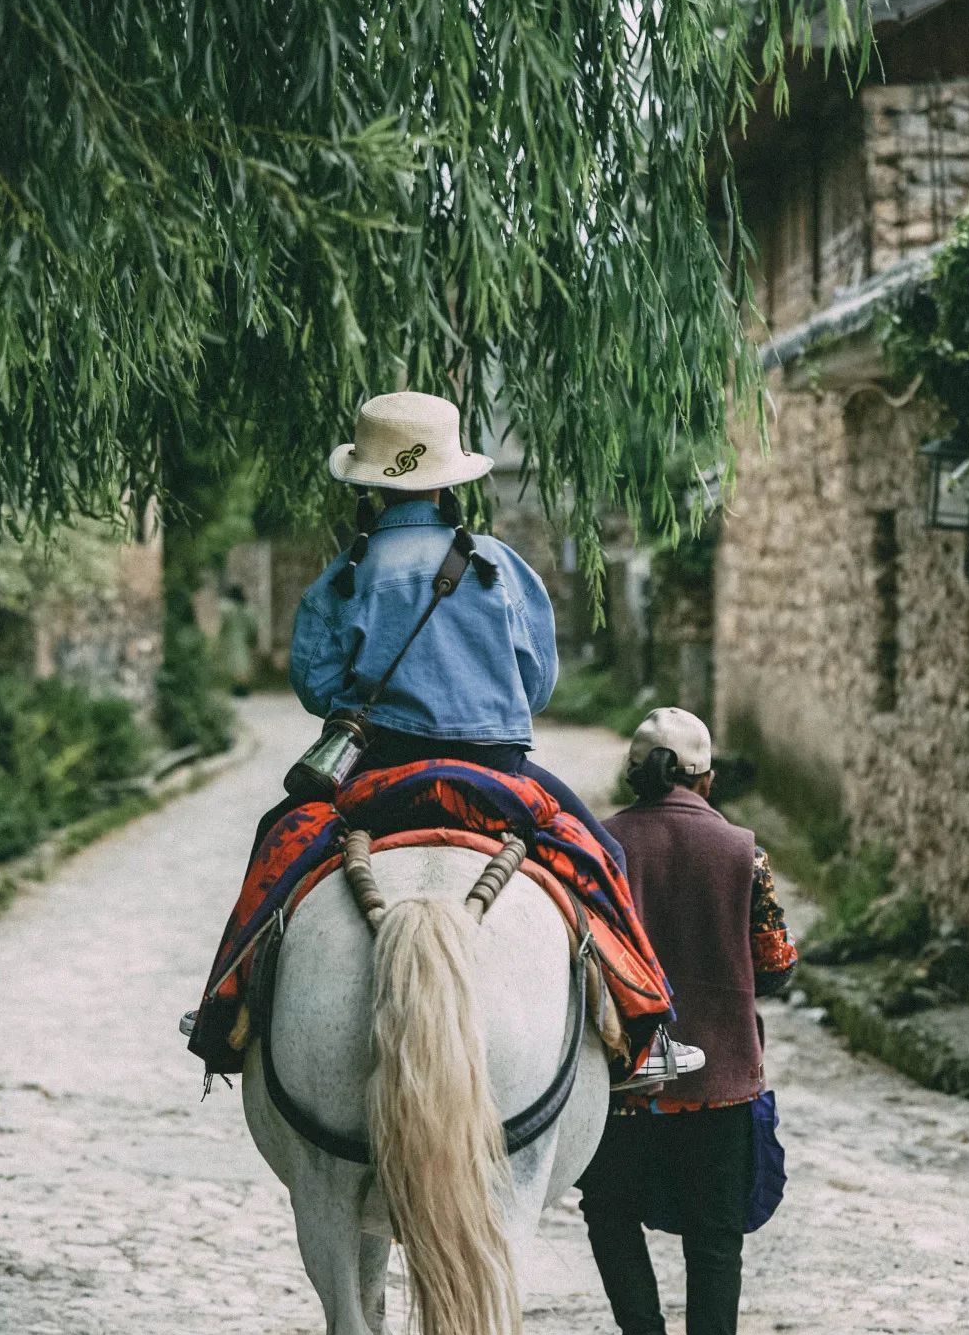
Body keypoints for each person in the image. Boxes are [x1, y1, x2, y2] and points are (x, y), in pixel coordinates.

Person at [271, 391, 703, 1088]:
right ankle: (648, 1029)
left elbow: (316, 688)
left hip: (377, 770)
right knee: (606, 857)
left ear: (369, 485)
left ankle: (224, 1005)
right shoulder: (500, 567)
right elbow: (537, 685)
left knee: (275, 849)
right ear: (449, 481)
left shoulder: (344, 577)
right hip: (498, 773)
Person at [578, 707, 798, 1335]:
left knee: (608, 1210)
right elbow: (775, 965)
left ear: (634, 774)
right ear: (706, 778)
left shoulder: (600, 846)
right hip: (721, 1082)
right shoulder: (743, 851)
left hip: (626, 1084)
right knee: (714, 1240)